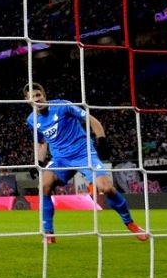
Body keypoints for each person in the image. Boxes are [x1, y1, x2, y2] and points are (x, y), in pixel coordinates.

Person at [24, 83, 148, 244]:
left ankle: (130, 223)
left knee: (107, 188)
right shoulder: (31, 120)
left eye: (38, 95)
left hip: (83, 154)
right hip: (61, 159)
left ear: (44, 95)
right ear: (27, 101)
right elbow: (41, 142)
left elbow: (92, 120)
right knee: (44, 186)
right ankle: (48, 233)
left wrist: (102, 142)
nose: (37, 99)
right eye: (32, 97)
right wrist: (38, 161)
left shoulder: (63, 106)